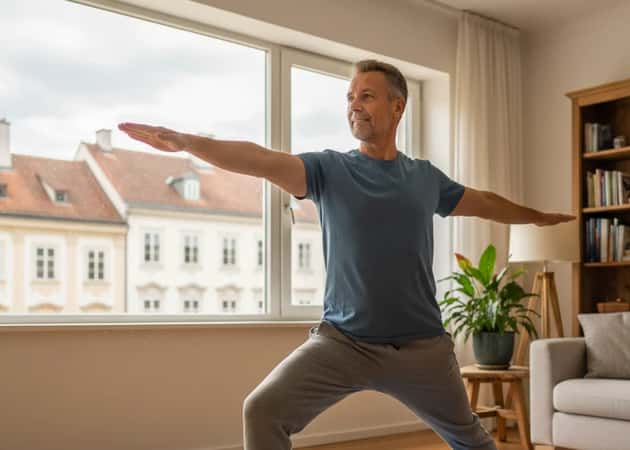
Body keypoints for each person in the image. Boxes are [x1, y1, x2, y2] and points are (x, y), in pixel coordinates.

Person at [119, 59, 574, 450]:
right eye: (350, 96)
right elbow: (259, 158)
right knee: (262, 410)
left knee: (472, 440)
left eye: (367, 95)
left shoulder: (424, 178)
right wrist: (187, 143)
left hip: (421, 349)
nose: (354, 104)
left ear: (398, 106)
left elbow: (488, 203)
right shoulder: (328, 170)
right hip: (343, 343)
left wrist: (536, 217)